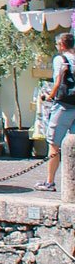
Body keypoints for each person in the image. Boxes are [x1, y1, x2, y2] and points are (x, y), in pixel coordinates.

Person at [41, 32, 75, 191]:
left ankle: (50, 182)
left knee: (54, 143)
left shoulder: (60, 60)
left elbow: (58, 82)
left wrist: (49, 96)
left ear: (61, 45)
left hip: (64, 105)